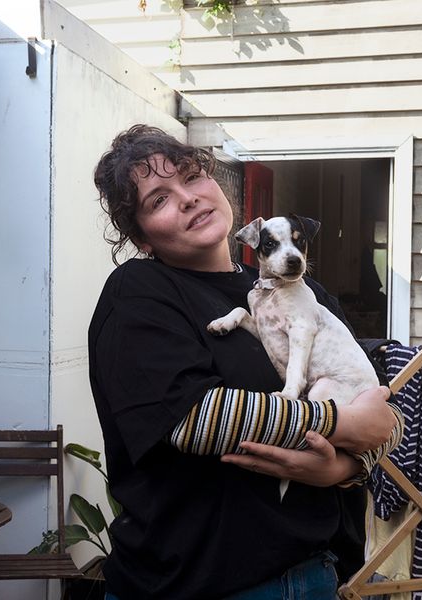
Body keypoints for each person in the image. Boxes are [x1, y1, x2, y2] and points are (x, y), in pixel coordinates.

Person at [88, 125, 404, 600]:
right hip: (193, 582)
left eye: (193, 177)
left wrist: (342, 470)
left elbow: (379, 415)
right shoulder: (139, 293)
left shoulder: (309, 297)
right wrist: (336, 423)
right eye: (158, 200)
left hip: (316, 575)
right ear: (143, 239)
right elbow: (193, 419)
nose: (188, 198)